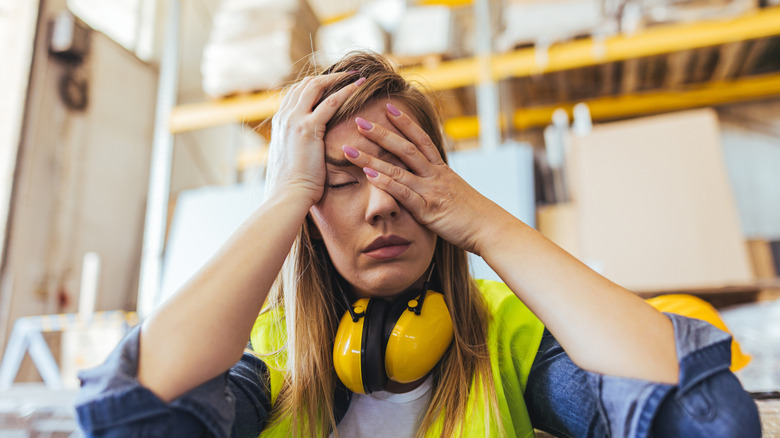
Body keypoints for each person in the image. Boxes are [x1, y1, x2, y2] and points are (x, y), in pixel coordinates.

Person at [75, 52, 761, 437]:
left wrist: (484, 222)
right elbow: (127, 420)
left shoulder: (507, 333)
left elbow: (709, 421)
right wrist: (283, 196)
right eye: (340, 180)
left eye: (409, 172)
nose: (381, 203)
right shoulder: (269, 353)